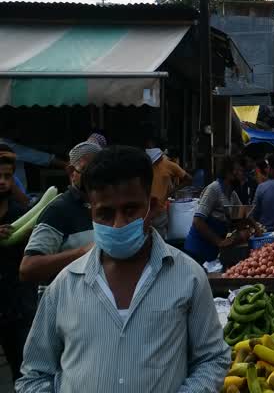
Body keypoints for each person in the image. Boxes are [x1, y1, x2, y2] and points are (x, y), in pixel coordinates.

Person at [16, 146, 230, 392]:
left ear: (153, 206)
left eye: (130, 210)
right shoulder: (63, 286)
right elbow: (34, 375)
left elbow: (212, 359)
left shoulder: (189, 277)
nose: (118, 224)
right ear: (91, 213)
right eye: (105, 213)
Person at [19, 142, 102, 286]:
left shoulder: (108, 207)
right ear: (71, 172)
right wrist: (83, 253)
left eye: (101, 171)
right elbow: (28, 269)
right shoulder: (59, 210)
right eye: (87, 170)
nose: (95, 177)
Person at [0, 149, 36, 381]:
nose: (2, 182)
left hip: (17, 304)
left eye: (7, 176)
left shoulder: (20, 214)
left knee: (21, 369)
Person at [184, 157, 250, 264]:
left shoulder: (232, 194)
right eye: (239, 171)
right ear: (229, 174)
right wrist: (219, 242)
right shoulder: (213, 189)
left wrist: (251, 228)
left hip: (211, 253)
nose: (242, 175)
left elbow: (242, 216)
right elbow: (197, 221)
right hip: (197, 251)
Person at [146, 148, 192, 239]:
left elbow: (189, 179)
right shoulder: (145, 166)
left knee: (158, 238)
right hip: (145, 209)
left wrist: (173, 190)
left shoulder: (168, 165)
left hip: (160, 209)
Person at [0, 129, 67, 190]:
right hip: (13, 193)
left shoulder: (8, 143)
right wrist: (65, 164)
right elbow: (38, 157)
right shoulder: (5, 145)